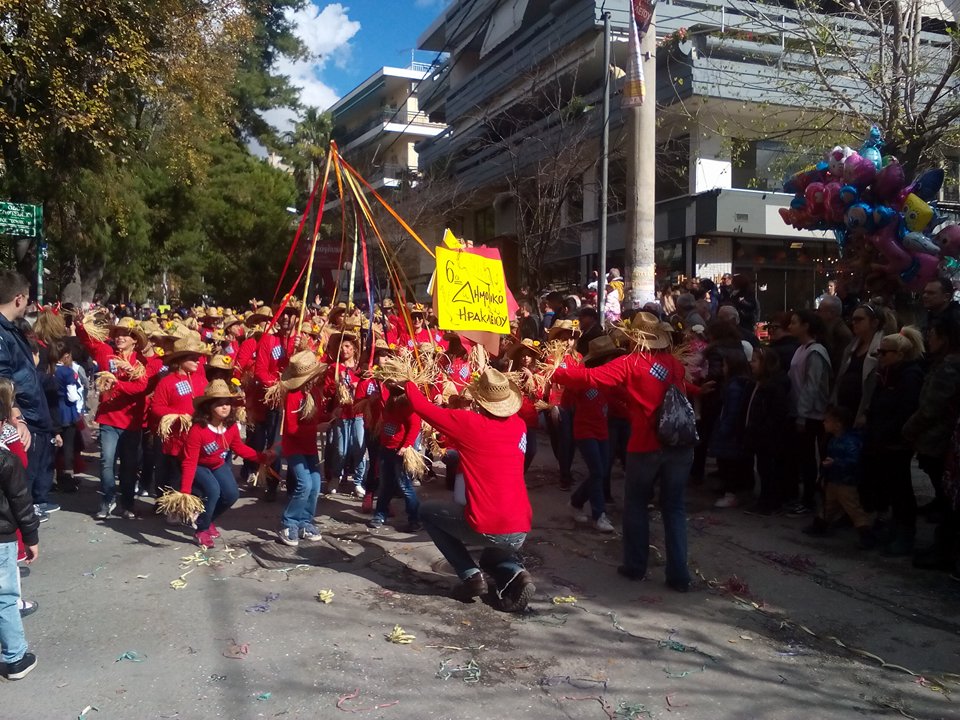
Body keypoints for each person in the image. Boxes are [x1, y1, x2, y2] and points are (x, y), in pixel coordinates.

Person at [553, 313, 697, 592]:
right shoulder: (674, 365)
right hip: (679, 445)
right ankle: (679, 575)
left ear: (635, 338)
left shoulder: (631, 364)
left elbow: (590, 378)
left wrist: (555, 372)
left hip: (645, 446)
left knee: (636, 506)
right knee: (675, 509)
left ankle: (635, 567)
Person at [407, 369, 535, 612]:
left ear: (479, 401)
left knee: (427, 512)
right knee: (492, 556)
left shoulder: (470, 424)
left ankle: (470, 576)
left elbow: (420, 406)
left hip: (489, 524)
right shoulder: (519, 425)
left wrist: (409, 383)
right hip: (520, 527)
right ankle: (517, 574)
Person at [180, 380, 274, 547]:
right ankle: (201, 530)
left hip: (217, 464)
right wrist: (185, 492)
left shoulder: (230, 427)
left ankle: (206, 520)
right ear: (208, 407)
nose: (225, 407)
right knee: (213, 490)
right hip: (200, 466)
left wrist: (261, 457)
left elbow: (238, 447)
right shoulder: (198, 430)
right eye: (219, 404)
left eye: (227, 403)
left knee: (232, 495)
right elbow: (190, 461)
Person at [76, 312, 149, 520]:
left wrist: (118, 384)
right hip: (108, 419)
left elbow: (141, 387)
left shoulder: (140, 361)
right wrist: (81, 325)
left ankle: (128, 503)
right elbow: (87, 340)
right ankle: (107, 499)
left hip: (131, 422)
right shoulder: (106, 352)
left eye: (125, 334)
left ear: (134, 339)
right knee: (106, 462)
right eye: (117, 333)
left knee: (129, 465)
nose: (120, 337)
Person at [863, 328, 924, 554]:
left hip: (896, 442)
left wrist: (889, 432)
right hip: (882, 439)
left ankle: (906, 532)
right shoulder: (887, 373)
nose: (880, 356)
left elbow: (906, 411)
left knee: (901, 488)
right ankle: (895, 527)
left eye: (885, 352)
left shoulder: (910, 376)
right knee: (890, 486)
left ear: (899, 354)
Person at [0, 271, 55, 516]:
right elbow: (2, 378)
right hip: (24, 421)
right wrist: (16, 416)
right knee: (18, 492)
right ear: (19, 299)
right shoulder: (2, 334)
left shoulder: (10, 330)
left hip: (32, 417)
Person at [903, 314, 960, 546]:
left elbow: (932, 407)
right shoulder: (943, 362)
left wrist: (909, 428)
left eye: (932, 335)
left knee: (947, 494)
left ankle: (945, 545)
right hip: (937, 436)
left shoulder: (950, 365)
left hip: (939, 437)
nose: (928, 339)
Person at [275, 352, 334, 546]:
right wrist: (317, 429)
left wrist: (331, 415)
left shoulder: (314, 392)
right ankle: (288, 522)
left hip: (309, 447)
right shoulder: (293, 396)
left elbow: (316, 416)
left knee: (316, 483)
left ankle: (305, 522)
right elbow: (292, 429)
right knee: (304, 484)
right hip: (294, 447)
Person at [569, 336, 625, 532]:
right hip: (584, 431)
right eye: (610, 358)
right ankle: (598, 515)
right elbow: (567, 399)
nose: (613, 362)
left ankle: (577, 501)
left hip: (602, 431)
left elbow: (622, 397)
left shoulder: (610, 380)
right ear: (602, 360)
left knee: (600, 471)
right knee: (598, 471)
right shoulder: (582, 378)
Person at [803, 405, 874, 548]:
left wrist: (835, 463)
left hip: (846, 482)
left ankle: (866, 534)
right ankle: (820, 524)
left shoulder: (849, 441)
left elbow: (854, 461)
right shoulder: (834, 440)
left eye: (827, 421)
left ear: (838, 424)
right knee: (829, 504)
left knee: (853, 508)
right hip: (834, 480)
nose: (824, 423)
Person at [0, 430, 40, 680]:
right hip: (2, 539)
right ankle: (15, 658)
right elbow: (21, 501)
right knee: (4, 598)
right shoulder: (6, 460)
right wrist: (31, 537)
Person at [785, 310, 832, 515]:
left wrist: (803, 413)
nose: (790, 326)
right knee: (802, 457)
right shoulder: (800, 349)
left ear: (806, 326)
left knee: (809, 458)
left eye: (795, 322)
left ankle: (812, 499)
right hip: (799, 410)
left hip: (813, 414)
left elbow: (812, 386)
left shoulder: (816, 352)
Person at [367, 383, 422, 533]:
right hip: (386, 449)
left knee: (405, 486)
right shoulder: (389, 402)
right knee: (385, 485)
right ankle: (380, 515)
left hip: (400, 451)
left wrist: (405, 446)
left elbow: (415, 426)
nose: (392, 393)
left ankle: (414, 519)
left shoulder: (407, 405)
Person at [743, 346, 790, 515]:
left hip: (768, 438)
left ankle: (769, 502)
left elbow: (775, 415)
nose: (751, 363)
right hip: (759, 435)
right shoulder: (758, 384)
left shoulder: (773, 388)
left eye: (755, 361)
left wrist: (762, 431)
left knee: (768, 470)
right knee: (763, 469)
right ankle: (766, 500)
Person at [711, 344, 755, 508]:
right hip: (732, 432)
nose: (722, 368)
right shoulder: (738, 384)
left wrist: (724, 429)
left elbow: (732, 411)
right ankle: (735, 491)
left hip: (730, 434)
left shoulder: (734, 387)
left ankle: (731, 494)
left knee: (729, 465)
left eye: (724, 365)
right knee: (731, 464)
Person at [832, 302, 889, 427]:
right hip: (844, 409)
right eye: (853, 319)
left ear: (874, 322)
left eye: (859, 319)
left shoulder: (883, 349)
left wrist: (867, 413)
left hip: (863, 409)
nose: (854, 323)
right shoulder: (851, 347)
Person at [816, 295, 852, 377]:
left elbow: (839, 364)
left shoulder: (842, 334)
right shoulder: (827, 329)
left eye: (820, 310)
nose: (817, 314)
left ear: (831, 313)